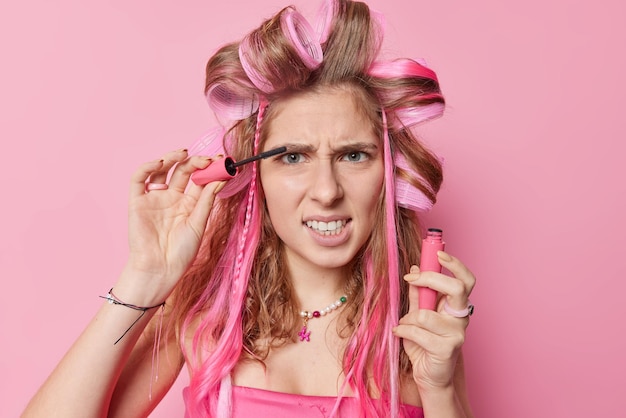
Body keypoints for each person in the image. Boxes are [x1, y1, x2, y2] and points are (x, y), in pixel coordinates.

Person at [23, 0, 476, 417]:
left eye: (353, 155)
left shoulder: (419, 322)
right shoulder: (203, 312)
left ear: (388, 172)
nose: (326, 191)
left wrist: (438, 391)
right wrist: (144, 277)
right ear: (254, 175)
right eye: (292, 157)